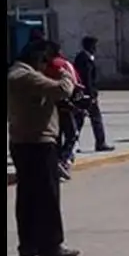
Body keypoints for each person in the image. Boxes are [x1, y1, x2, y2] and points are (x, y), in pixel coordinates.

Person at [8, 40, 80, 256]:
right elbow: (62, 90)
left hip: (22, 141)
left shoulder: (15, 73)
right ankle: (50, 244)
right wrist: (64, 72)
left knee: (28, 196)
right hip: (39, 142)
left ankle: (28, 244)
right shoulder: (26, 76)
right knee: (48, 195)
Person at [44, 41, 83, 179]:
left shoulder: (43, 67)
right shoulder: (64, 65)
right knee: (72, 134)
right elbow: (75, 83)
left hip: (49, 106)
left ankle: (55, 160)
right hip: (65, 104)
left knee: (57, 135)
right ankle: (64, 160)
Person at [73, 36, 113, 152]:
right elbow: (87, 79)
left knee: (79, 119)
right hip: (86, 95)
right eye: (94, 46)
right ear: (89, 46)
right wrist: (91, 96)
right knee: (95, 119)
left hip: (82, 94)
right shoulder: (85, 59)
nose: (95, 48)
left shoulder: (83, 58)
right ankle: (100, 143)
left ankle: (74, 143)